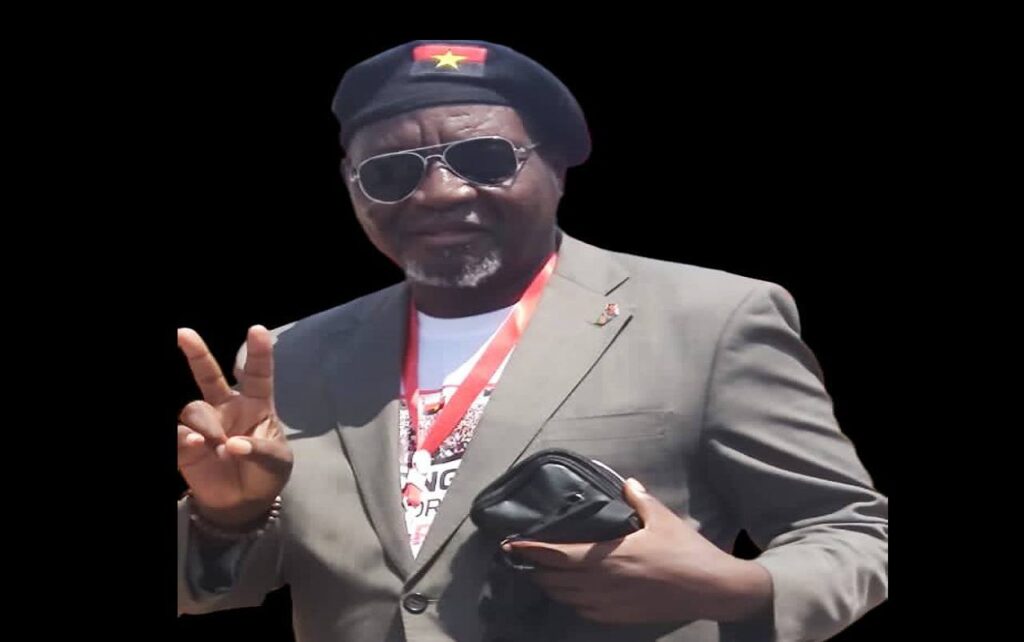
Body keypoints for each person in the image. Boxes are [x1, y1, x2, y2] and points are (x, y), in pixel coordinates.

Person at [175, 39, 888, 641]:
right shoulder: (291, 356)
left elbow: (851, 532)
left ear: (558, 165)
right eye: (391, 172)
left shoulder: (709, 320)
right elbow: (219, 589)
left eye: (484, 159)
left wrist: (739, 587)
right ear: (351, 186)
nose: (439, 192)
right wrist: (226, 518)